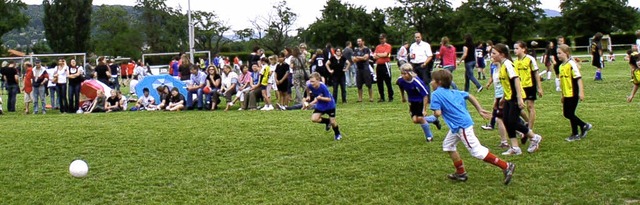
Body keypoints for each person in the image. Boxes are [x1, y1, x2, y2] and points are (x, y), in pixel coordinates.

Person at [429, 69, 515, 185]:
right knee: (448, 146)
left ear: (438, 82)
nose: (431, 82)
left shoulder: (435, 94)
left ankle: (506, 166)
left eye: (432, 80)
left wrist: (433, 113)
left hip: (461, 126)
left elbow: (438, 113)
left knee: (476, 151)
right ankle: (461, 173)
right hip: (459, 125)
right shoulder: (453, 92)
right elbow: (469, 95)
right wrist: (479, 109)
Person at [491, 43, 543, 155]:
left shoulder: (508, 64)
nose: (492, 55)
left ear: (502, 54)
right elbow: (507, 84)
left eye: (494, 53)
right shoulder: (502, 65)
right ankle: (515, 148)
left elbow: (516, 80)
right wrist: (504, 98)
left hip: (515, 97)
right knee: (506, 120)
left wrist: (519, 98)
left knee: (512, 122)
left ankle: (534, 137)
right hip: (509, 97)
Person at [397, 63, 441, 142]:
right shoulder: (401, 80)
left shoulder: (417, 82)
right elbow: (400, 85)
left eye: (404, 74)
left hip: (420, 101)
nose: (402, 76)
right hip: (412, 102)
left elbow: (425, 96)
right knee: (415, 120)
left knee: (420, 118)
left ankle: (429, 137)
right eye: (401, 73)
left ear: (409, 73)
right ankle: (434, 119)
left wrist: (424, 109)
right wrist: (403, 96)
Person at [557, 44, 593, 141]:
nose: (558, 55)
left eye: (560, 53)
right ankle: (576, 133)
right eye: (557, 53)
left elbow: (578, 79)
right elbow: (563, 82)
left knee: (568, 114)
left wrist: (581, 92)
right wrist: (563, 95)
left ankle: (584, 125)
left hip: (573, 93)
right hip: (567, 94)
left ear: (566, 53)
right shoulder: (561, 66)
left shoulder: (571, 64)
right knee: (569, 113)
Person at [514, 41, 543, 131]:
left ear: (523, 49)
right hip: (520, 87)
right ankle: (527, 121)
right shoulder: (515, 62)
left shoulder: (530, 59)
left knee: (530, 106)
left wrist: (539, 87)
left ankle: (529, 129)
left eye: (517, 48)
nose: (515, 50)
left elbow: (536, 73)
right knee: (517, 107)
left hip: (530, 86)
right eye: (514, 48)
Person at [482, 61, 510, 149]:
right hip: (498, 96)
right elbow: (495, 83)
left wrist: (502, 98)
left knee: (503, 119)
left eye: (493, 55)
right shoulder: (494, 69)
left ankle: (505, 142)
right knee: (505, 118)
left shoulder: (504, 68)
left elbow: (507, 85)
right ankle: (525, 131)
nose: (491, 58)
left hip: (504, 96)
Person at [308, 72, 342, 141]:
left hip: (329, 105)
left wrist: (319, 98)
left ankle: (337, 134)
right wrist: (308, 97)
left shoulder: (323, 87)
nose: (311, 83)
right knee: (314, 119)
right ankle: (327, 121)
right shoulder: (310, 85)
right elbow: (307, 88)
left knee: (333, 122)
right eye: (310, 81)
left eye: (313, 81)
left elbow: (328, 99)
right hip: (320, 105)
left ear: (318, 80)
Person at [373, 33, 394, 102]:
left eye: (382, 38)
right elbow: (374, 56)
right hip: (379, 65)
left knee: (388, 81)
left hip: (385, 65)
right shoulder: (378, 47)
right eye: (380, 39)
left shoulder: (388, 46)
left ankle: (390, 96)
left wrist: (379, 55)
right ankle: (382, 97)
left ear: (385, 39)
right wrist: (380, 55)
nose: (381, 40)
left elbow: (386, 54)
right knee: (379, 82)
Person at [353, 38, 373, 102]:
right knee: (359, 84)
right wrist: (361, 58)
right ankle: (360, 98)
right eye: (357, 41)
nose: (358, 42)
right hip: (358, 69)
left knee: (369, 84)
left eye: (359, 41)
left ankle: (371, 97)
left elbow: (366, 58)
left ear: (363, 42)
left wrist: (358, 57)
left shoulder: (366, 49)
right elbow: (354, 59)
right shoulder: (356, 50)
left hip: (365, 68)